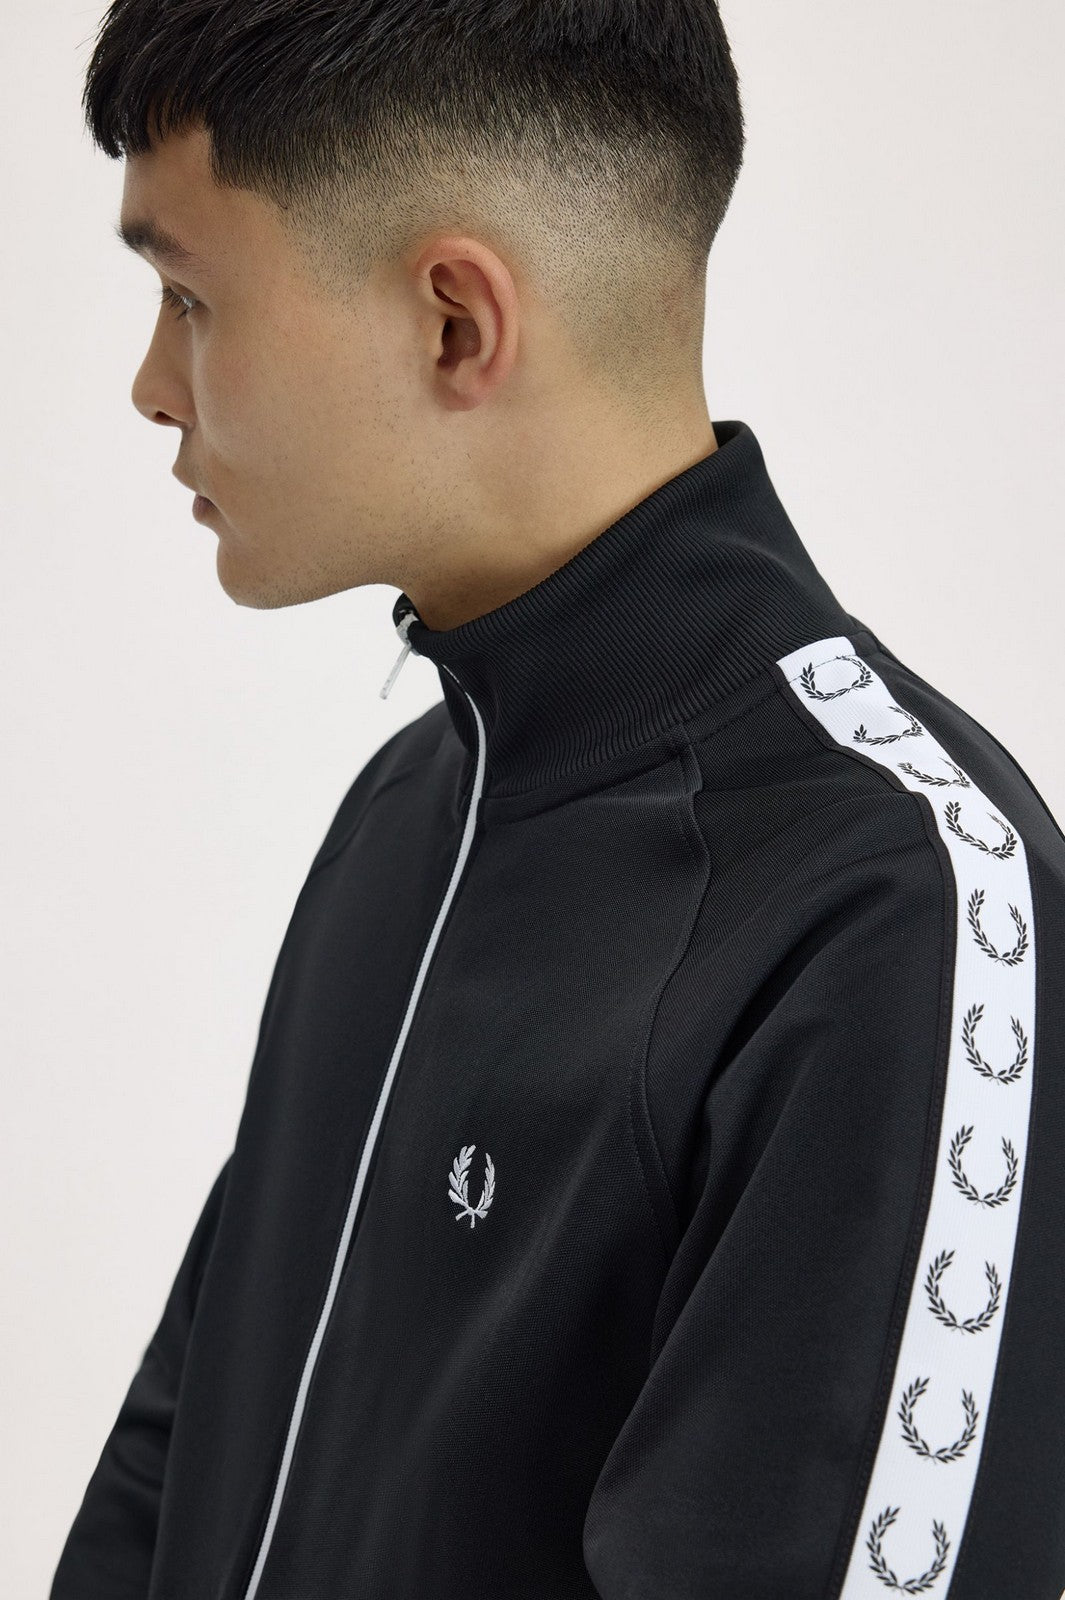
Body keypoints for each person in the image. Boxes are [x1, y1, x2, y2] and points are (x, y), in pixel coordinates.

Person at [51, 3, 1065, 1598]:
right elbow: (179, 1460)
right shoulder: (414, 810)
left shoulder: (898, 915)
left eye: (188, 296)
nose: (150, 386)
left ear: (455, 321)